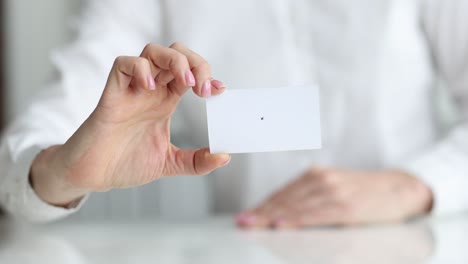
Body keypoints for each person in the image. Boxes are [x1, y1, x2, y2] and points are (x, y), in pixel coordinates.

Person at [1, 0, 467, 228]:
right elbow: (21, 158)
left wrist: (412, 185)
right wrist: (59, 172)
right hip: (247, 246)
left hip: (419, 239)